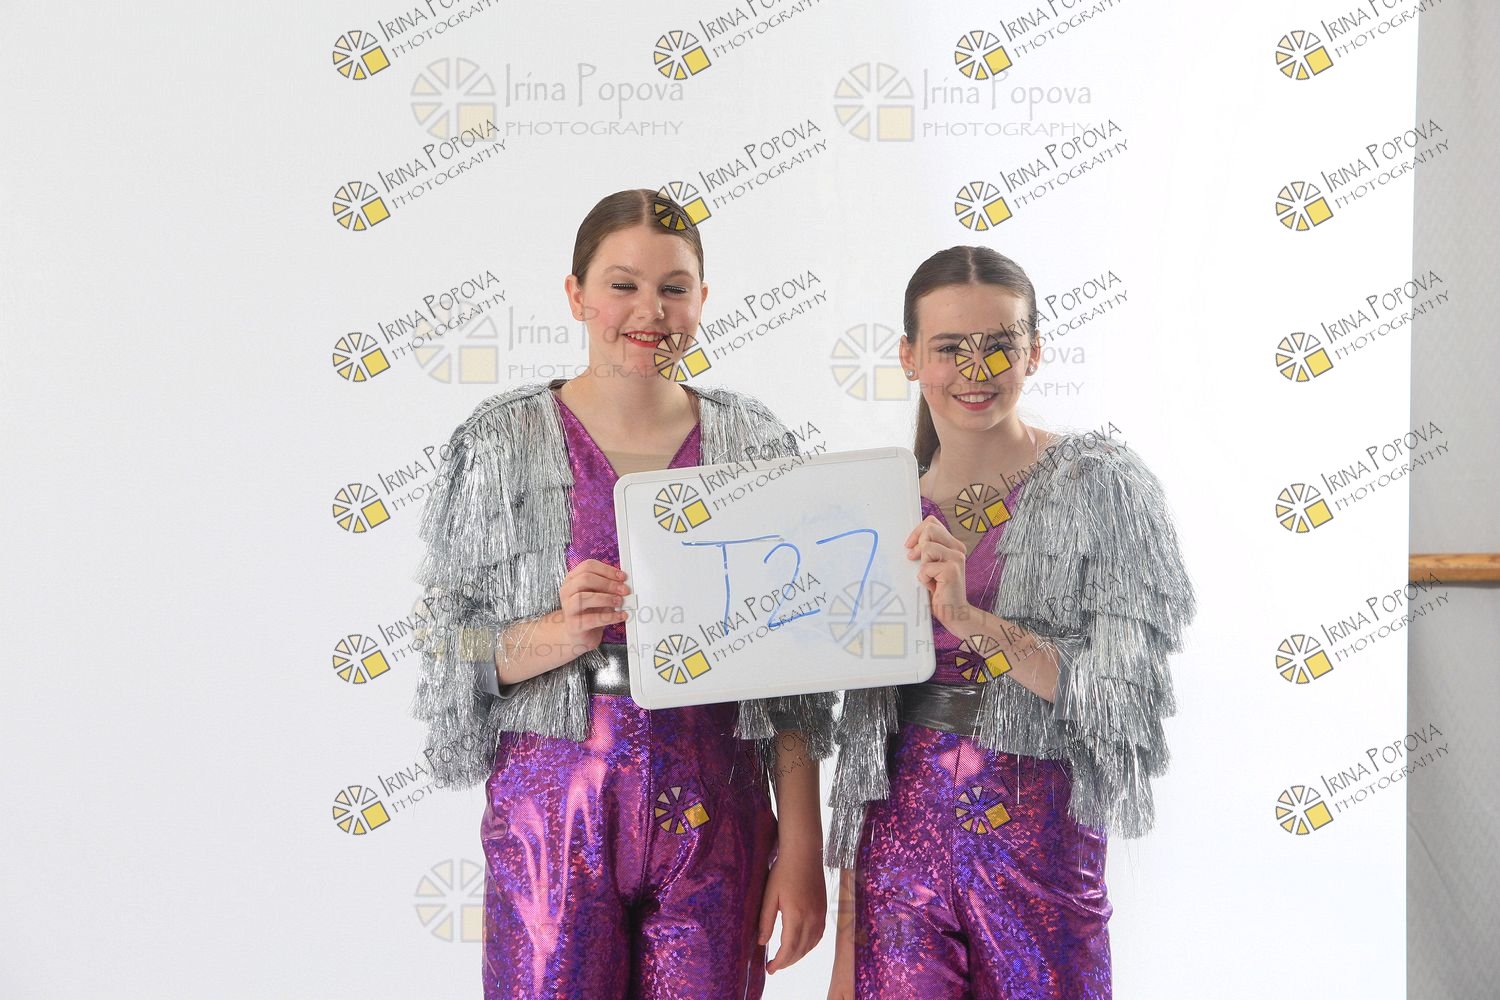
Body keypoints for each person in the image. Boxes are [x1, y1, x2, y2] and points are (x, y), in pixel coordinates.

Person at [410, 189, 835, 999]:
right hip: (555, 799)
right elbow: (445, 644)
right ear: (576, 295)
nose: (650, 311)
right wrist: (557, 632)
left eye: (674, 287)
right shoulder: (500, 441)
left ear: (702, 299)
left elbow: (797, 673)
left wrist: (803, 848)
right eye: (622, 285)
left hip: (716, 797)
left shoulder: (751, 442)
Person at [824, 246, 1196, 999]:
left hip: (1038, 831)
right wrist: (844, 953)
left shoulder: (1101, 485)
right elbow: (864, 743)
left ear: (1034, 352)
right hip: (900, 837)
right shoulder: (876, 510)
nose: (977, 368)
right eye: (949, 348)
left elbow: (1122, 700)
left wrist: (972, 621)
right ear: (908, 357)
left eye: (999, 343)